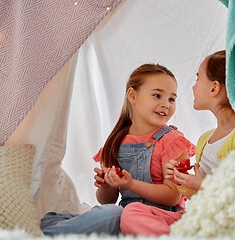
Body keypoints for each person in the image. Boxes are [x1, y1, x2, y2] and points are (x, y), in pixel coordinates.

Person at [40, 63, 195, 236]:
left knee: (114, 215)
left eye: (171, 99)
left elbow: (172, 196)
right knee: (106, 213)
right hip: (124, 218)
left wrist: (130, 184)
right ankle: (53, 228)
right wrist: (107, 185)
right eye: (157, 95)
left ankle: (46, 234)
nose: (165, 104)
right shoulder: (115, 143)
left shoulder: (172, 141)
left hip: (159, 219)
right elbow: (108, 199)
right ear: (132, 95)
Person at [120, 50, 235, 236]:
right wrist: (182, 181)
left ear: (214, 88)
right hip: (198, 218)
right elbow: (197, 195)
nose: (193, 87)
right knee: (131, 213)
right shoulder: (204, 140)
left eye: (198, 79)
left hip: (225, 223)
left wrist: (204, 185)